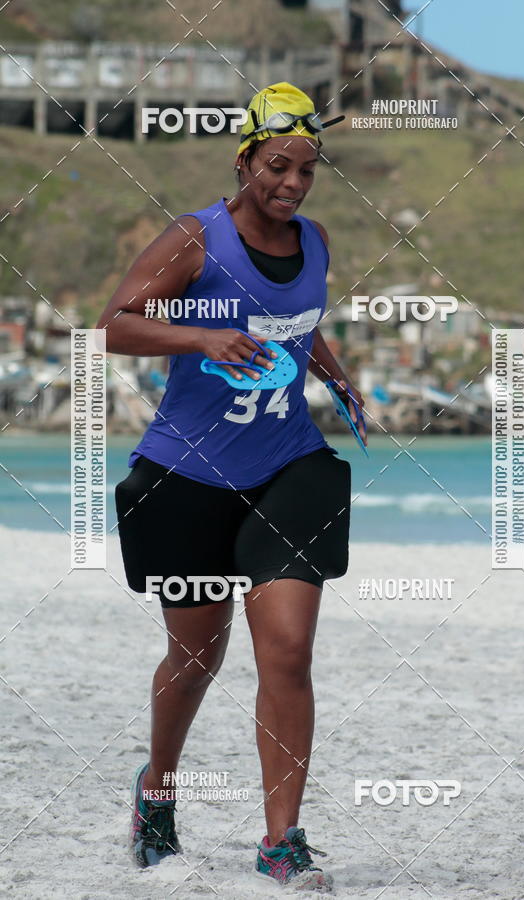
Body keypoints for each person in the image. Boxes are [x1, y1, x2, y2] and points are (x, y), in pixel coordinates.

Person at [97, 81, 366, 892]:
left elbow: (298, 321)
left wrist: (333, 370)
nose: (291, 184)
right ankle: (158, 790)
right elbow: (115, 323)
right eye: (278, 166)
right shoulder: (196, 238)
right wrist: (205, 335)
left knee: (286, 651)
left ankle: (281, 840)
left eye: (306, 170)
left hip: (289, 463)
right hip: (188, 472)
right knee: (195, 653)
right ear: (245, 159)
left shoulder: (314, 240)